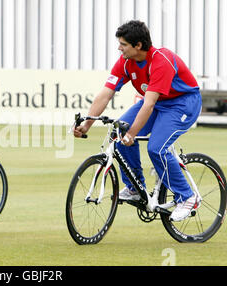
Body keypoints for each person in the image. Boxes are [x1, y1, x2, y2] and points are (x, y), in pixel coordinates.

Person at [73, 20, 202, 222]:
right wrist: (87, 124)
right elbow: (105, 94)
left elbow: (148, 104)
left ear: (138, 46)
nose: (119, 48)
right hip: (158, 103)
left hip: (183, 104)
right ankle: (135, 188)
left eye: (123, 44)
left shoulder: (161, 61)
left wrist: (132, 133)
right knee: (119, 133)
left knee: (156, 148)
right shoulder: (125, 62)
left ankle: (187, 197)